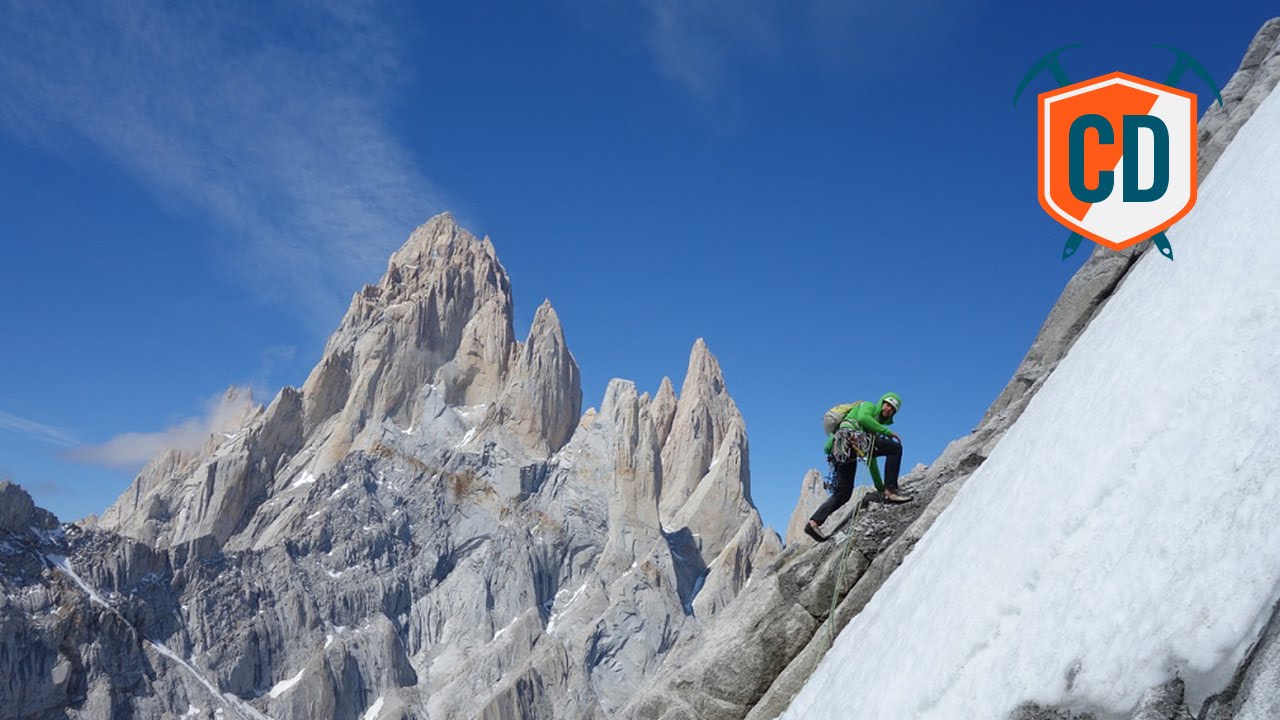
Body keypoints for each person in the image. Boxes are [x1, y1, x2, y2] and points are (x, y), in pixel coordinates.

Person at [806, 392, 909, 543]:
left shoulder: (871, 431)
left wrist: (880, 487)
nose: (888, 409)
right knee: (895, 448)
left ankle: (813, 523)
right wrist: (887, 432)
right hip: (851, 440)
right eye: (887, 404)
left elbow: (871, 461)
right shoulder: (868, 406)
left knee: (844, 493)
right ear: (881, 403)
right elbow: (862, 418)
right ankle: (892, 490)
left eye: (892, 408)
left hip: (842, 450)